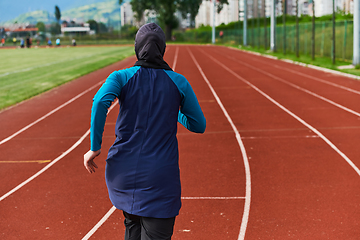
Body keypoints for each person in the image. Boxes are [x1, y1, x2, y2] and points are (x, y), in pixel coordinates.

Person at [83, 23, 206, 240]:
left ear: (137, 48)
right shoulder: (179, 82)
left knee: (132, 226)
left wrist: (95, 147)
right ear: (163, 49)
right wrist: (174, 109)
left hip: (122, 176)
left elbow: (100, 102)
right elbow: (199, 125)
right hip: (159, 179)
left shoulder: (120, 77)